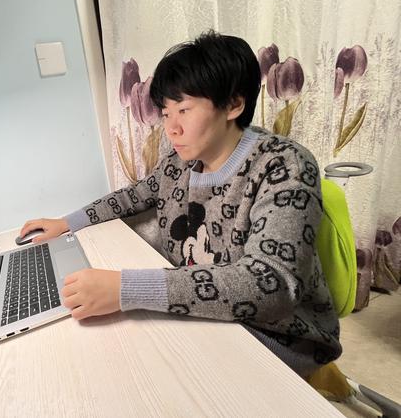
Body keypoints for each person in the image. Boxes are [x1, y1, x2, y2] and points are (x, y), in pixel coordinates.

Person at [19, 30, 341, 377]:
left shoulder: (284, 165)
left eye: (184, 110)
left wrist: (126, 289)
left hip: (277, 336)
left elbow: (272, 284)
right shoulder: (180, 162)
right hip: (204, 312)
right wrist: (67, 222)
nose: (171, 128)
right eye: (165, 112)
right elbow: (133, 197)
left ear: (234, 105)